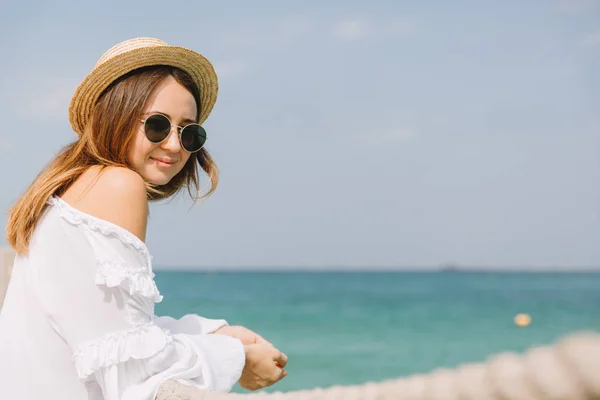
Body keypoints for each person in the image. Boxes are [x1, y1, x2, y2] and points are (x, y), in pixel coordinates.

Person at [0, 37, 288, 400]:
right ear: (115, 117)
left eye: (189, 132)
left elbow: (107, 327)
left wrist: (213, 333)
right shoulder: (119, 185)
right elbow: (135, 368)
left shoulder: (70, 187)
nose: (173, 144)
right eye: (157, 125)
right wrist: (238, 360)